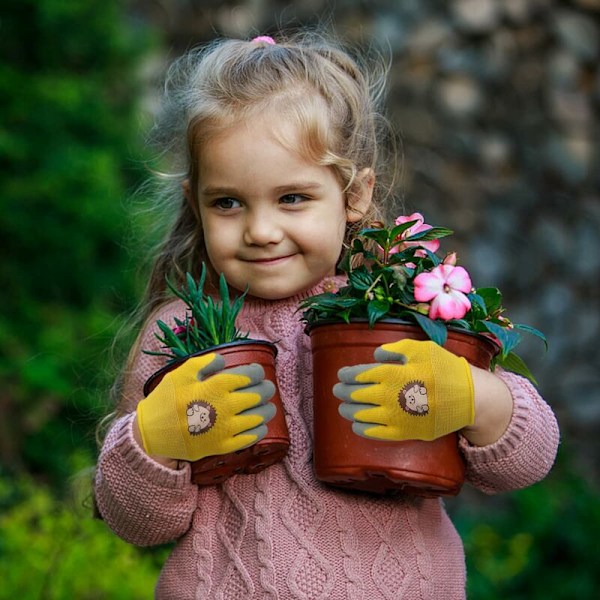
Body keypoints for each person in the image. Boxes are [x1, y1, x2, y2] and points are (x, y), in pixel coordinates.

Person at [94, 32, 560, 599]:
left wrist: (473, 398)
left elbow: (525, 461)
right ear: (196, 204)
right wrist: (156, 436)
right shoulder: (180, 330)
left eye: (293, 198)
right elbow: (136, 522)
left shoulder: (399, 305)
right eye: (228, 202)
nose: (261, 230)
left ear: (354, 195)